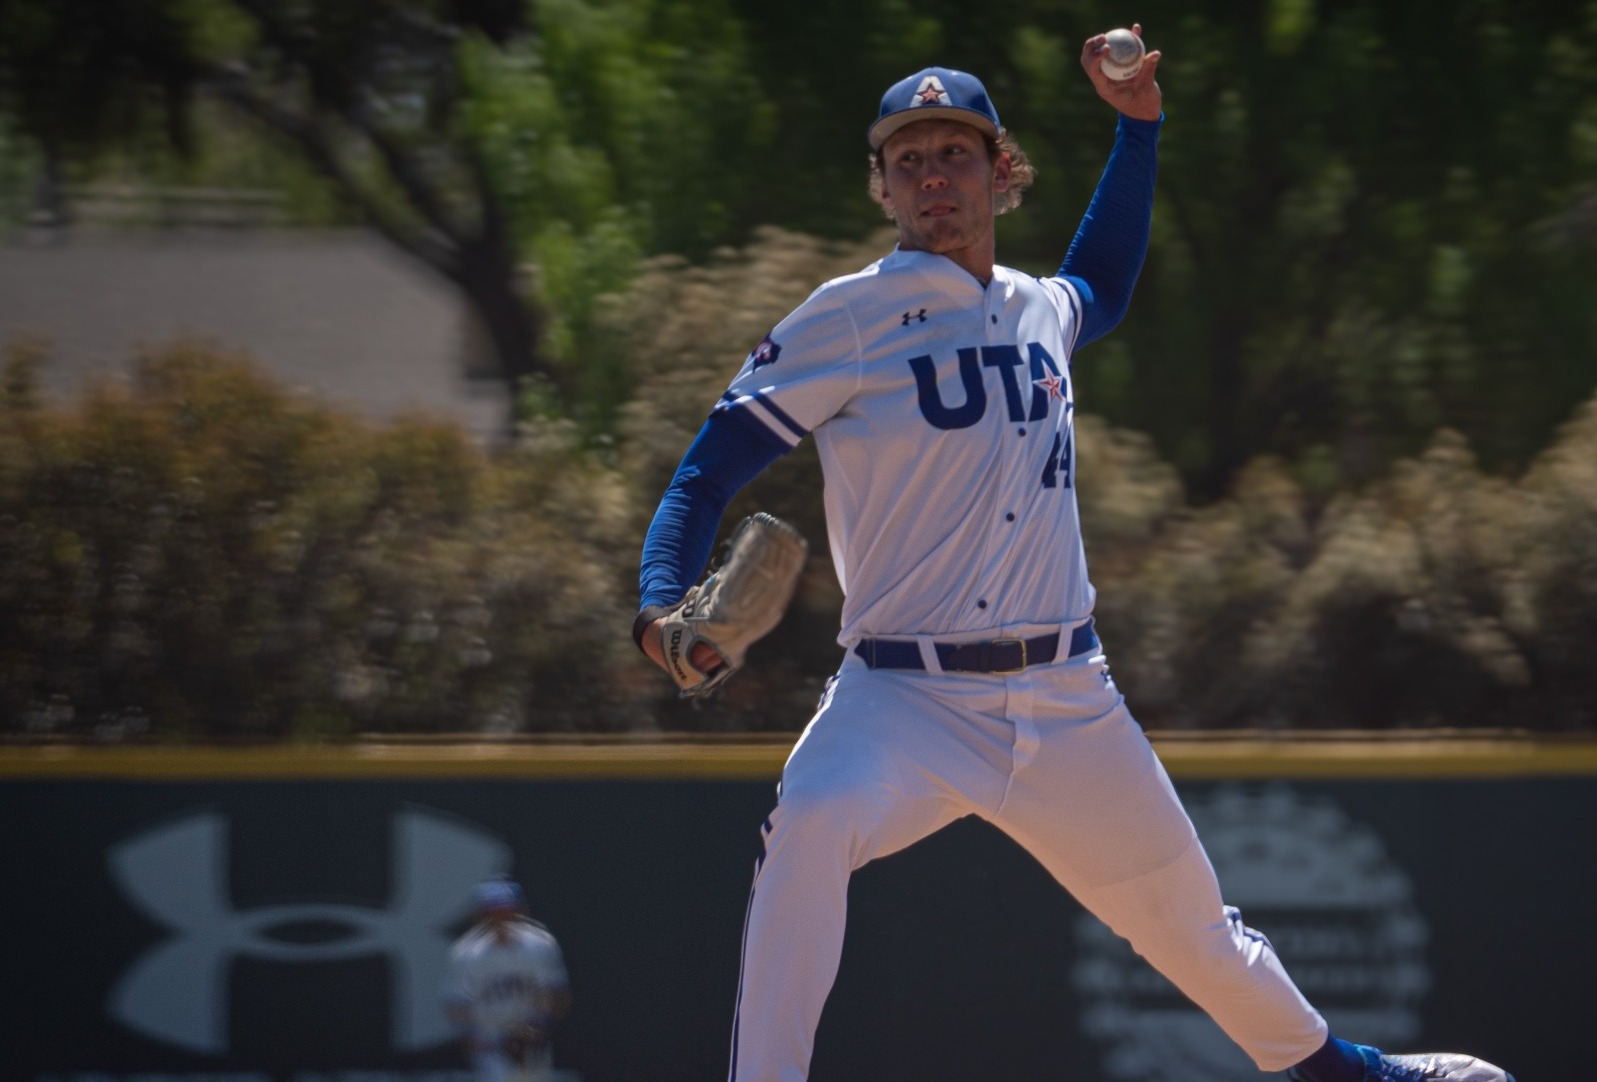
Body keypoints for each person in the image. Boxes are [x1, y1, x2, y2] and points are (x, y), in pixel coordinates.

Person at [633, 27, 1516, 1082]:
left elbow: (1104, 275)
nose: (931, 179)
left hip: (1065, 692)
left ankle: (1355, 1076)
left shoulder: (1036, 308)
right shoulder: (849, 319)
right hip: (902, 696)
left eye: (953, 152)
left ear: (1000, 173)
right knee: (809, 824)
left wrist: (1137, 127)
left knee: (1192, 927)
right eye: (905, 160)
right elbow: (704, 471)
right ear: (880, 188)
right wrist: (658, 606)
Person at [443, 879, 571, 1082]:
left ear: (521, 912)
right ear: (480, 916)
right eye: (492, 912)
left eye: (506, 911)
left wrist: (539, 1027)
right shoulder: (467, 953)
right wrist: (472, 1038)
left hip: (529, 1031)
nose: (500, 918)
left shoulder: (539, 945)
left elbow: (557, 993)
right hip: (490, 1038)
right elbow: (457, 1003)